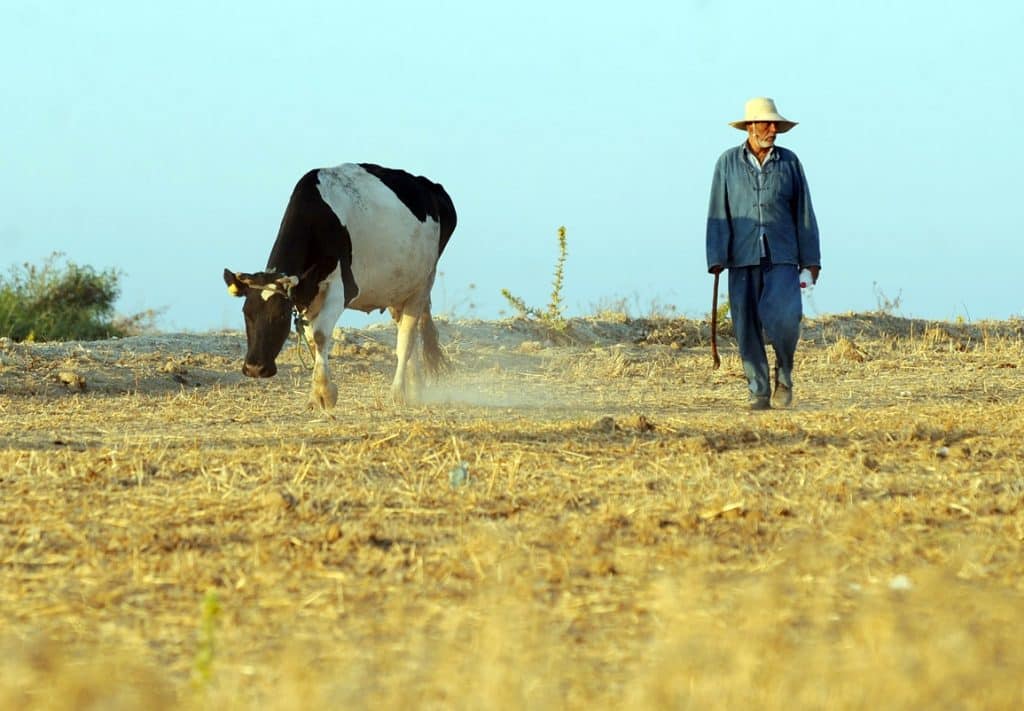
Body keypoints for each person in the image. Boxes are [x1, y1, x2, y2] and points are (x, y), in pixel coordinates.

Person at [706, 97, 821, 410]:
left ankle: (784, 374)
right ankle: (758, 392)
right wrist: (716, 256)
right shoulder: (727, 163)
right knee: (746, 326)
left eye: (775, 125)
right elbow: (719, 210)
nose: (773, 129)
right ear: (750, 126)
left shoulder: (790, 163)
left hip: (783, 255)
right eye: (767, 124)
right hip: (741, 257)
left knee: (785, 320)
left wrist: (811, 261)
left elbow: (804, 212)